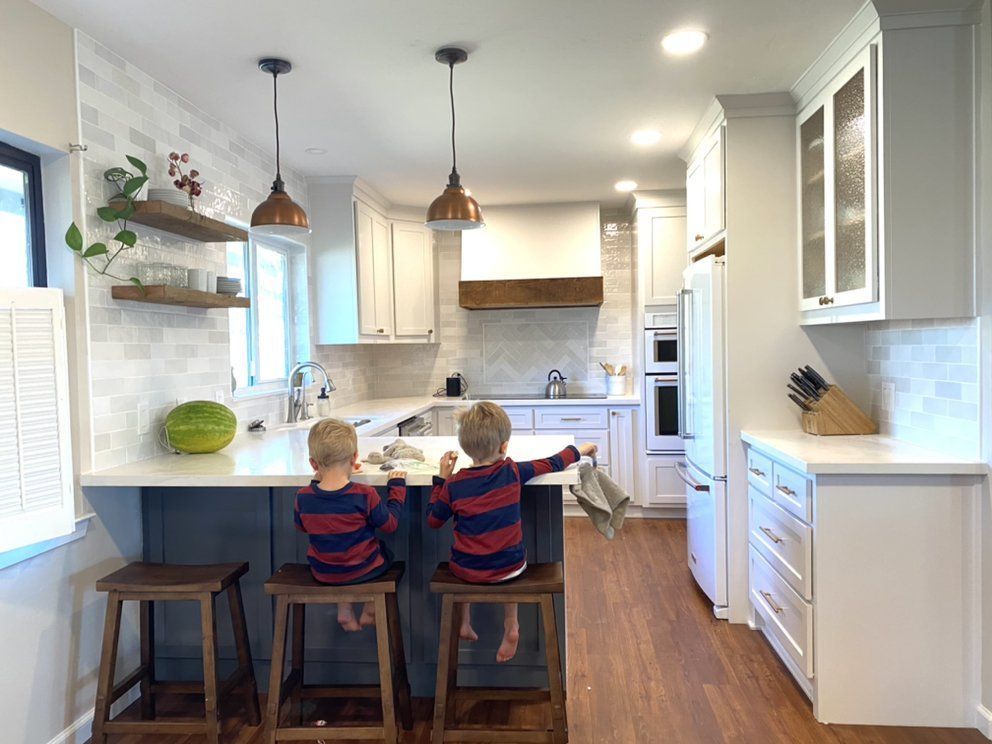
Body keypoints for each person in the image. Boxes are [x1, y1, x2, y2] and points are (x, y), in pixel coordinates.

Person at [426, 402, 597, 662]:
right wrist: (582, 449)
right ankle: (511, 625)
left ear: (465, 447)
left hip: (467, 572)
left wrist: (440, 479)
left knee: (461, 555)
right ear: (504, 446)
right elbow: (554, 463)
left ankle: (464, 622)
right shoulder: (513, 471)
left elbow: (434, 520)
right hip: (510, 568)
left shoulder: (454, 484)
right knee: (509, 556)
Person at [294, 418, 405, 631]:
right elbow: (390, 525)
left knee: (339, 551)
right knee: (382, 554)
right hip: (361, 570)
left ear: (313, 464)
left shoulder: (303, 497)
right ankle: (370, 606)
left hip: (323, 571)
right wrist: (397, 489)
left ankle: (344, 610)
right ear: (354, 458)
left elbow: (301, 527)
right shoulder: (365, 494)